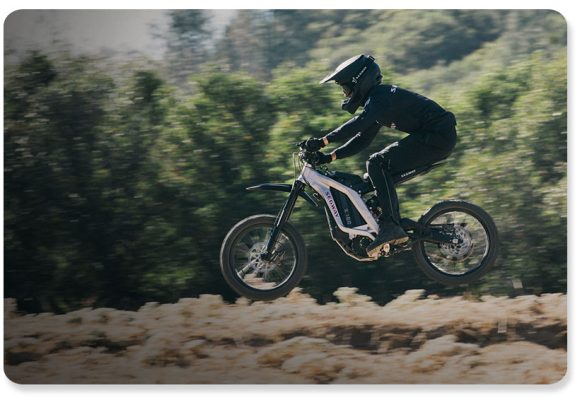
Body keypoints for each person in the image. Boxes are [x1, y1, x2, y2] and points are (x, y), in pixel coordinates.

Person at [302, 54, 457, 257]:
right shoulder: (377, 103)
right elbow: (362, 139)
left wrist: (323, 141)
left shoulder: (380, 97)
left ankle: (390, 226)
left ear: (358, 81)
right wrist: (329, 157)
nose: (345, 94)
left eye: (346, 88)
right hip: (433, 137)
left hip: (437, 136)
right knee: (373, 177)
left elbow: (358, 124)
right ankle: (389, 223)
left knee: (377, 163)